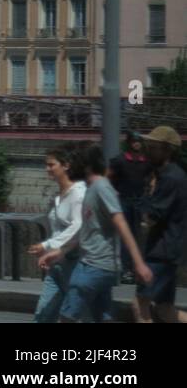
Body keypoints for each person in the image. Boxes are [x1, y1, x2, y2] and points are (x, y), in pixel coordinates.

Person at [39, 144, 153, 323]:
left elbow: (121, 223)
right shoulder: (91, 189)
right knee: (102, 318)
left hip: (93, 266)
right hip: (99, 267)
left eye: (75, 161)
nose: (71, 166)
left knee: (66, 318)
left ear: (86, 165)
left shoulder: (101, 188)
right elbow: (86, 230)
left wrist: (138, 263)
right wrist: (60, 251)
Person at [134, 126, 187, 324]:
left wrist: (146, 198)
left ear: (167, 150)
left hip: (161, 252)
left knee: (140, 305)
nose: (148, 149)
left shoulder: (170, 178)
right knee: (165, 309)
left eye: (153, 146)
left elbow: (151, 217)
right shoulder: (171, 174)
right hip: (168, 250)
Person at [28, 144, 85, 323]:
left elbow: (78, 225)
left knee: (77, 316)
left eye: (51, 165)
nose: (47, 169)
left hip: (76, 263)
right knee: (43, 316)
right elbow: (59, 229)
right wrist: (49, 252)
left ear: (66, 165)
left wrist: (47, 245)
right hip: (57, 264)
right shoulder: (59, 196)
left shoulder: (78, 193)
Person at [108, 132, 150, 282]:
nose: (137, 144)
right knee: (126, 235)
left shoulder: (146, 161)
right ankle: (126, 270)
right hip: (124, 200)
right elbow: (109, 177)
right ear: (129, 143)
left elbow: (150, 179)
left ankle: (138, 268)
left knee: (140, 236)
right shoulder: (120, 160)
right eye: (134, 141)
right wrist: (114, 193)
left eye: (139, 141)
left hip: (140, 201)